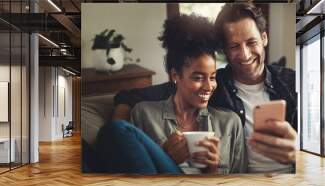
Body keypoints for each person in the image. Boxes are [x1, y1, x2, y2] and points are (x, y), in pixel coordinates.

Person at [113, 3, 297, 173]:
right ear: (225, 50)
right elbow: (131, 97)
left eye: (251, 42)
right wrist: (122, 137)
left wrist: (299, 150)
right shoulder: (219, 84)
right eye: (234, 46)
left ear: (264, 38)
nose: (244, 54)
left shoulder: (291, 82)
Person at [93, 14, 248, 174]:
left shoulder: (230, 123)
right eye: (198, 78)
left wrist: (212, 171)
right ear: (175, 76)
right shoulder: (144, 114)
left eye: (213, 77)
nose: (208, 87)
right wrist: (164, 154)